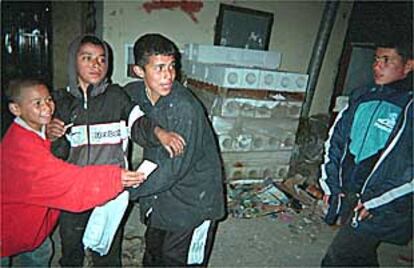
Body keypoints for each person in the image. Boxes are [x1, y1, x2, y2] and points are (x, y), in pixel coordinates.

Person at [46, 35, 185, 267]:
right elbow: (53, 154)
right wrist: (52, 135)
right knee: (72, 248)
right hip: (73, 191)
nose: (95, 65)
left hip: (110, 189)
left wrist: (160, 133)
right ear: (73, 62)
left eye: (101, 59)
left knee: (108, 251)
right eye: (87, 58)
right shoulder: (61, 102)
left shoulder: (117, 97)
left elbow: (139, 123)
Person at [0, 78, 146, 267]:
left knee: (42, 251)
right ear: (16, 109)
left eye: (48, 100)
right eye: (37, 103)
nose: (47, 107)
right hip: (7, 228)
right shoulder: (21, 148)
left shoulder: (33, 130)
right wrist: (115, 177)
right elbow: (69, 182)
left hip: (31, 227)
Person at [124, 33, 226, 267]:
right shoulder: (135, 93)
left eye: (171, 67)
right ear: (139, 71)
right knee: (153, 254)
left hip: (195, 200)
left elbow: (171, 170)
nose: (168, 75)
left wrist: (124, 193)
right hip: (162, 196)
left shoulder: (184, 108)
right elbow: (117, 100)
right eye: (159, 68)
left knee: (179, 260)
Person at [319, 41, 413, 267]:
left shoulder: (409, 106)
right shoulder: (361, 96)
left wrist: (376, 201)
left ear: (408, 65)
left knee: (338, 258)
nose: (377, 66)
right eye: (376, 59)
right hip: (354, 193)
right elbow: (336, 142)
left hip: (386, 200)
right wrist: (332, 186)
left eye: (386, 60)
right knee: (360, 255)